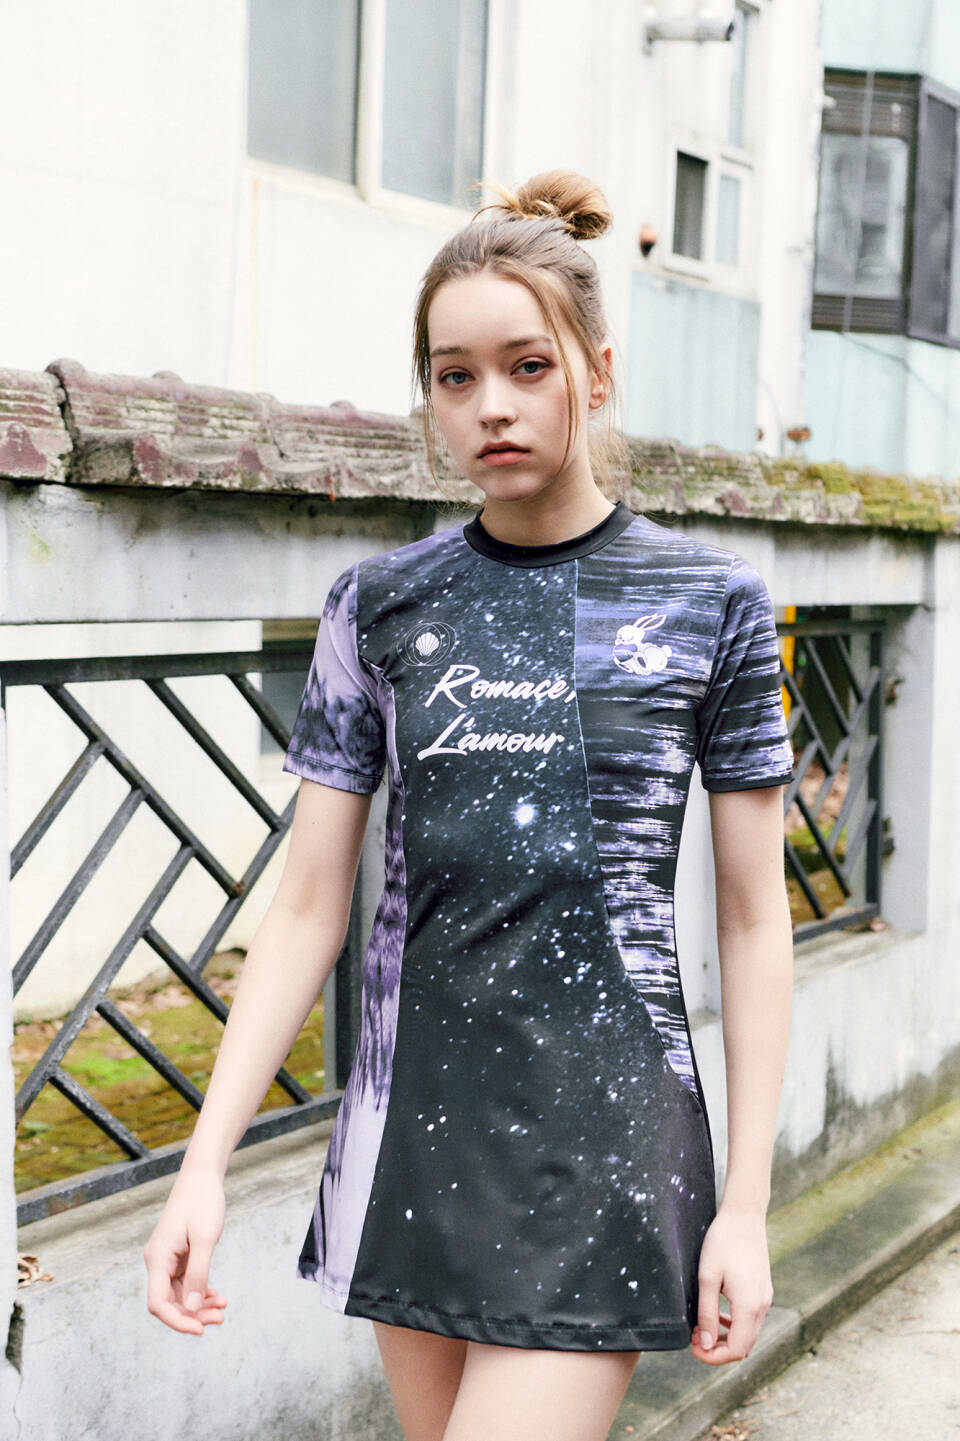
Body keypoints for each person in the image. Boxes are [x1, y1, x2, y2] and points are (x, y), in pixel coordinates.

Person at [144, 168, 795, 1441]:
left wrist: (747, 1206)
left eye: (526, 366)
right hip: (412, 1133)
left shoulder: (709, 605)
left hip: (606, 1138)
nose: (491, 404)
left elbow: (754, 918)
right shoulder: (378, 606)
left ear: (595, 374)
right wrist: (203, 1166)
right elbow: (308, 908)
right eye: (455, 376)